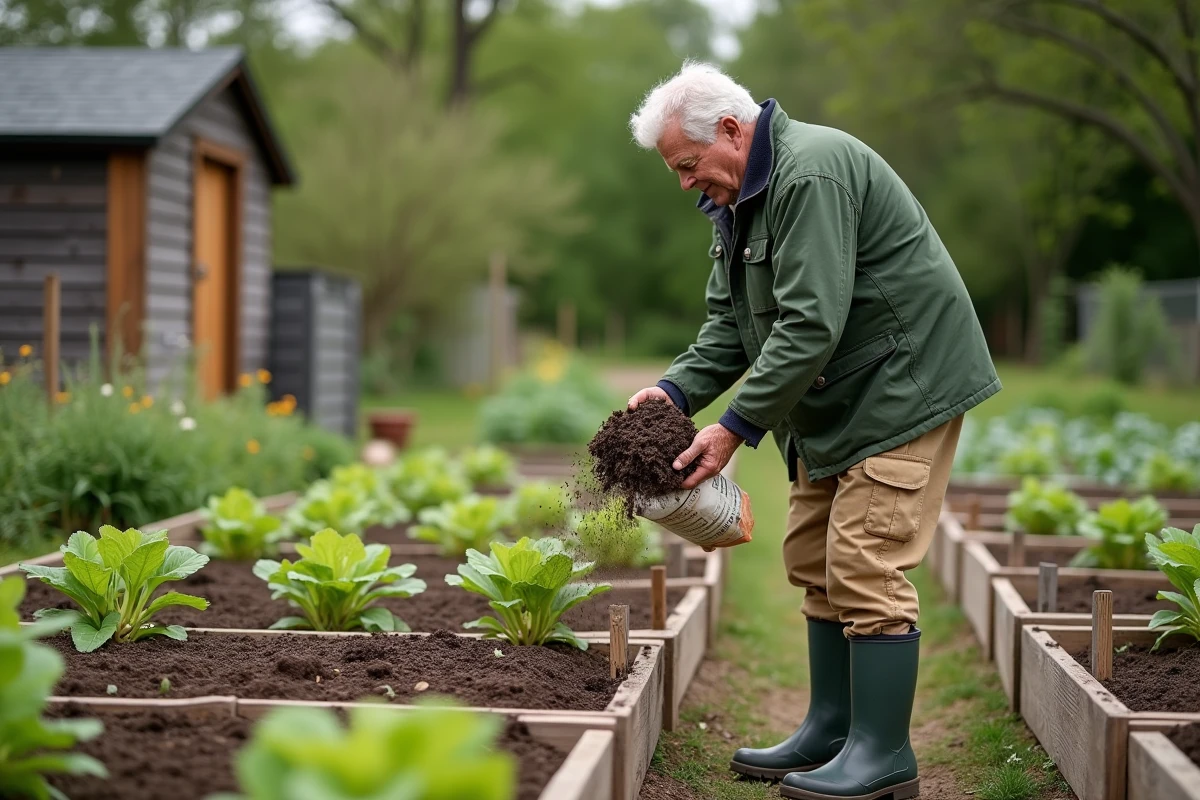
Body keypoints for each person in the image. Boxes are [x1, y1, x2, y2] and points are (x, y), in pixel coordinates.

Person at [625, 62, 1000, 800]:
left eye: (687, 165)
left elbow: (809, 325)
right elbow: (730, 328)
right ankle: (832, 730)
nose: (684, 184)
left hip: (902, 383)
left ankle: (883, 754)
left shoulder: (812, 175)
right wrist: (670, 392)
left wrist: (732, 428)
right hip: (838, 395)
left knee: (865, 560)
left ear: (731, 131)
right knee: (815, 557)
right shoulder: (736, 204)